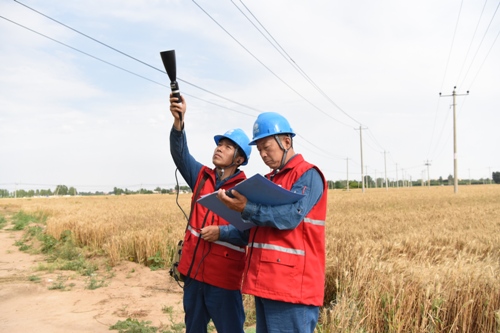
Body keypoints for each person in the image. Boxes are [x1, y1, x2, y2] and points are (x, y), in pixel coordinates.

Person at [216, 112, 327, 333]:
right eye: (259, 151)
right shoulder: (268, 181)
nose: (263, 155)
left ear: (286, 142)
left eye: (267, 147)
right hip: (266, 282)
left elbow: (290, 216)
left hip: (292, 287)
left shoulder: (307, 175)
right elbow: (256, 233)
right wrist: (225, 226)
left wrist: (247, 208)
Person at [169, 94, 251, 333]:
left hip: (223, 279)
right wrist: (178, 123)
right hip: (194, 273)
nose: (219, 148)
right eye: (219, 144)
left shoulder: (246, 190)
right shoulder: (201, 176)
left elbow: (251, 233)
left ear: (239, 158)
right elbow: (180, 154)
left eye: (227, 146)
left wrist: (222, 233)